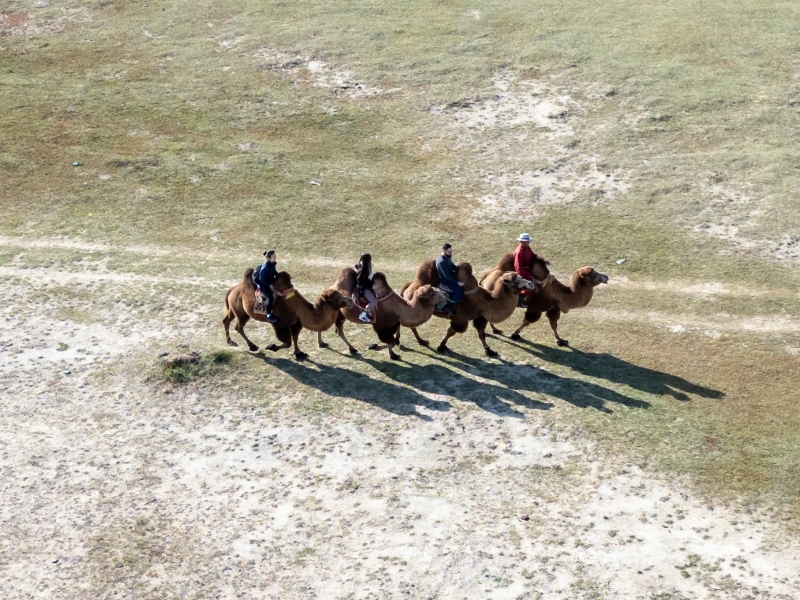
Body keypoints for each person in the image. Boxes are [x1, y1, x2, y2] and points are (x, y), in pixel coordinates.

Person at [513, 233, 547, 308]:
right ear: (522, 242)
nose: (528, 242)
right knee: (530, 285)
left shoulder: (527, 248)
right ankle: (520, 301)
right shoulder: (519, 252)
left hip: (529, 270)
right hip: (523, 272)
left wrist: (543, 261)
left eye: (528, 241)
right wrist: (528, 276)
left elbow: (533, 256)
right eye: (527, 241)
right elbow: (518, 267)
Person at [435, 243, 465, 315]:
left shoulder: (447, 257)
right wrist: (457, 282)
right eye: (449, 252)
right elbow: (447, 276)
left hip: (451, 279)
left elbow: (451, 265)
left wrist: (458, 269)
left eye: (451, 251)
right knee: (460, 292)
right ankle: (448, 306)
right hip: (446, 282)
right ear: (444, 250)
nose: (450, 253)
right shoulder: (441, 262)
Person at [254, 249, 278, 323]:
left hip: (269, 280)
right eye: (273, 257)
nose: (275, 258)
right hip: (263, 284)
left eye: (275, 256)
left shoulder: (272, 263)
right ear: (268, 258)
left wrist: (278, 276)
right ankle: (268, 315)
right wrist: (270, 285)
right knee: (270, 297)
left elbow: (274, 272)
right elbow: (262, 278)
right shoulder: (266, 267)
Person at [354, 253, 377, 323]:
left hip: (365, 286)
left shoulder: (363, 266)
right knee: (374, 301)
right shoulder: (364, 269)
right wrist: (371, 286)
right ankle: (363, 314)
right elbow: (362, 282)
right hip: (363, 289)